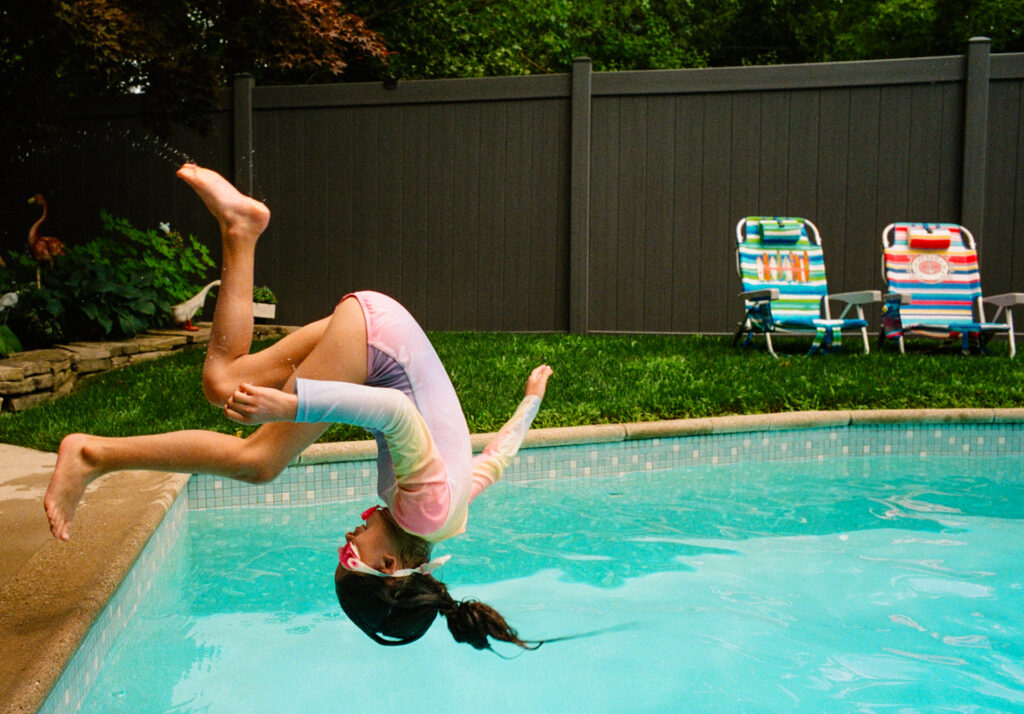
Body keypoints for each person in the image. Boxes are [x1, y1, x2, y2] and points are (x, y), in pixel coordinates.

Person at [44, 164, 552, 650]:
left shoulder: (446, 518)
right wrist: (293, 405)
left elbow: (495, 462)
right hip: (379, 344)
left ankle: (241, 228)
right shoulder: (425, 512)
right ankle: (91, 455)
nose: (348, 538)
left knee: (223, 383)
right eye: (350, 555)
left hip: (379, 330)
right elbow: (398, 411)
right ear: (390, 563)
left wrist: (530, 401)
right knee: (259, 461)